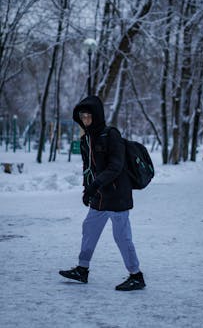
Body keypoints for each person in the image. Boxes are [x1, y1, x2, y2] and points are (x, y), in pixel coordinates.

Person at [59, 96, 145, 291]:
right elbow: (87, 167)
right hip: (99, 196)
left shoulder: (111, 135)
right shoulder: (85, 140)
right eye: (83, 117)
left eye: (89, 116)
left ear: (96, 116)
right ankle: (82, 270)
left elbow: (116, 166)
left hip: (117, 195)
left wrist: (94, 185)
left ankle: (136, 275)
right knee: (89, 229)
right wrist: (86, 189)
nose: (86, 120)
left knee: (121, 236)